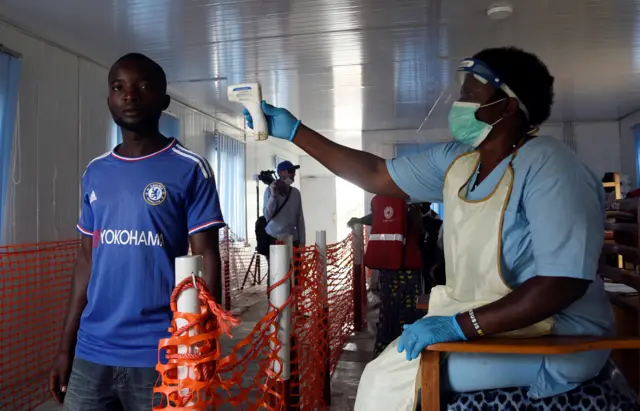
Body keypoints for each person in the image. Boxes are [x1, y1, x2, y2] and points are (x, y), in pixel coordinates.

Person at [244, 47, 614, 410]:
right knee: (388, 371)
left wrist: (460, 325)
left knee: (389, 380)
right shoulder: (461, 162)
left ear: (508, 105)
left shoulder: (550, 165)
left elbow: (562, 283)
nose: (460, 101)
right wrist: (295, 132)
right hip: (499, 324)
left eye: (471, 93)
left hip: (557, 335)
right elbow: (376, 174)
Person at [49, 53, 225, 411]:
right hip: (92, 352)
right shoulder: (95, 172)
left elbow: (206, 255)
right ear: (110, 98)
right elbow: (86, 260)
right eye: (118, 87)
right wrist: (65, 347)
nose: (129, 95)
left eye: (142, 87)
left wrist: (203, 340)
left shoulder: (190, 168)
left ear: (163, 100)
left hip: (161, 353)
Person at [348, 199, 424, 358]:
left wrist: (360, 220)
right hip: (407, 270)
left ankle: (382, 355)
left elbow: (377, 217)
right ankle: (405, 355)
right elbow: (419, 232)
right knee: (409, 314)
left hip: (389, 269)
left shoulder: (384, 201)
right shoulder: (409, 202)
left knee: (389, 315)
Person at [263, 160, 306, 251]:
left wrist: (302, 241)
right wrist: (273, 196)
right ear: (281, 173)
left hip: (292, 238)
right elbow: (268, 215)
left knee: (295, 265)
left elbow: (300, 218)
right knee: (277, 265)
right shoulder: (270, 190)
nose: (293, 174)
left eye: (294, 171)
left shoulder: (295, 192)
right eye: (290, 171)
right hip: (274, 237)